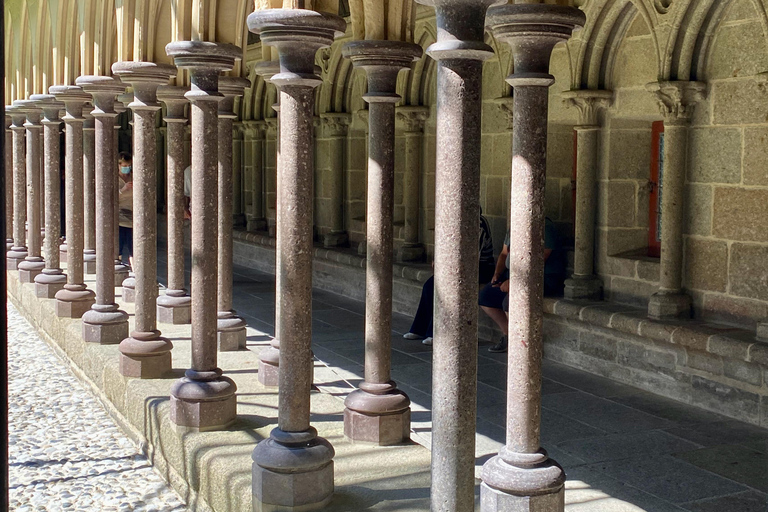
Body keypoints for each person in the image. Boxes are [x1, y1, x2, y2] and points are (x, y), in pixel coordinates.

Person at [403, 210, 495, 345]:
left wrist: (448, 266)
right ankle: (419, 329)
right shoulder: (454, 223)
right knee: (429, 285)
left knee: (447, 286)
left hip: (480, 267)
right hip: (456, 266)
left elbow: (473, 255)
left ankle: (437, 332)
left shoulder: (479, 224)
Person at [479, 217, 566, 353]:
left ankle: (523, 344)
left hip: (542, 278)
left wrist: (515, 282)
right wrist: (497, 274)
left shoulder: (544, 227)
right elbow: (503, 253)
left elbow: (538, 260)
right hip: (514, 276)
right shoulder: (514, 225)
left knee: (511, 301)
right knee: (486, 297)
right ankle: (508, 335)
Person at [117, 152, 134, 267]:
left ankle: (135, 271)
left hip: (132, 216)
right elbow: (107, 199)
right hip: (119, 216)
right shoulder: (114, 178)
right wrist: (123, 189)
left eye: (128, 166)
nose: (127, 168)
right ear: (119, 165)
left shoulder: (134, 176)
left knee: (133, 247)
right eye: (124, 166)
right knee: (119, 246)